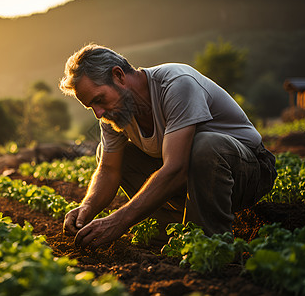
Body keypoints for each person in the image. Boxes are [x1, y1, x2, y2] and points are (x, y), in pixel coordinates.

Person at [59, 43, 277, 248]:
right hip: (196, 177)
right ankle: (169, 236)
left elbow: (176, 169)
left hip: (248, 171)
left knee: (204, 145)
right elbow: (109, 169)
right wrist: (87, 207)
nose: (98, 113)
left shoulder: (176, 84)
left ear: (118, 76)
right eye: (91, 107)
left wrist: (120, 220)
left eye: (99, 99)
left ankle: (210, 246)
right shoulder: (115, 114)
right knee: (118, 155)